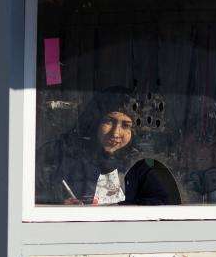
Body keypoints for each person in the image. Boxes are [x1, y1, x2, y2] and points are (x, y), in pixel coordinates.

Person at [37, 87, 180, 206]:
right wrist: (58, 204)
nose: (116, 133)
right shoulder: (59, 154)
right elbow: (32, 196)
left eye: (126, 125)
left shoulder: (140, 166)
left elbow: (161, 205)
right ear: (94, 121)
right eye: (109, 122)